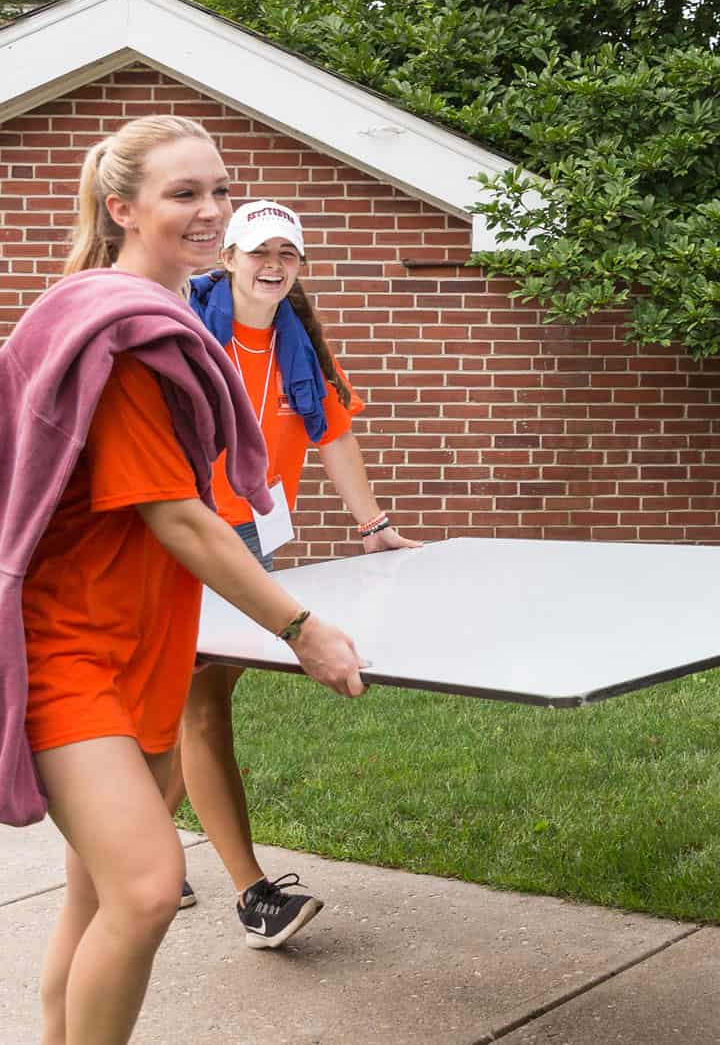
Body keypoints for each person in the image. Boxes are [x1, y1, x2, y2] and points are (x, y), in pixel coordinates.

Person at [0, 115, 368, 1045]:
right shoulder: (125, 343)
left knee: (95, 904)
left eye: (219, 189)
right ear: (121, 207)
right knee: (144, 889)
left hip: (149, 646)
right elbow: (176, 515)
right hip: (69, 651)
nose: (211, 210)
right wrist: (303, 627)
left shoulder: (155, 324)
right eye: (185, 194)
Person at [165, 197, 420, 948]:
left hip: (249, 537)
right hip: (180, 530)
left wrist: (372, 526)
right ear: (230, 258)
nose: (273, 265)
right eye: (258, 251)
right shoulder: (184, 330)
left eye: (288, 253)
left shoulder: (300, 343)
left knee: (199, 699)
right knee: (201, 704)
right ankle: (252, 895)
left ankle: (137, 844)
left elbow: (333, 435)